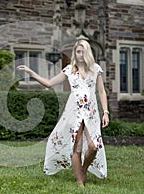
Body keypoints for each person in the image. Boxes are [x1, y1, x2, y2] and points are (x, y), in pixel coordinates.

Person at [17, 39, 109, 187]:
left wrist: (106, 112)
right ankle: (80, 182)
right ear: (75, 53)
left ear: (88, 53)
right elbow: (49, 83)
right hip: (74, 112)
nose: (80, 55)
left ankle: (83, 170)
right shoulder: (69, 70)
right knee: (76, 147)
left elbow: (101, 91)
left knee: (94, 146)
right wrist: (31, 72)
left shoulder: (96, 69)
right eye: (78, 52)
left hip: (91, 113)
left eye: (83, 51)